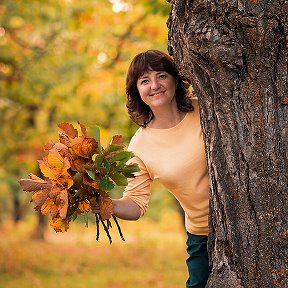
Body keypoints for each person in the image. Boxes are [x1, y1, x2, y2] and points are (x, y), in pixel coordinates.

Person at [94, 49, 211, 288]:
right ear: (137, 91)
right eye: (145, 81)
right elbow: (136, 204)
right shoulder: (139, 145)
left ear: (175, 79)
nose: (154, 85)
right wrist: (107, 204)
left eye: (161, 76)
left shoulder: (207, 110)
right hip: (202, 233)